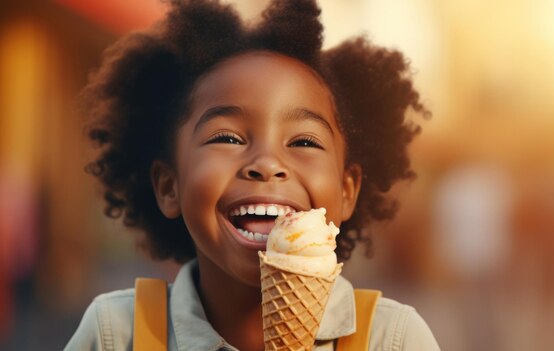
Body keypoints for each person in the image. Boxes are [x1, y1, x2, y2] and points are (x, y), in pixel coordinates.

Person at [65, 0, 440, 350]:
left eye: (304, 142)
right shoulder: (117, 333)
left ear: (346, 190)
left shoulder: (391, 339)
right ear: (169, 186)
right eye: (227, 137)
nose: (266, 162)